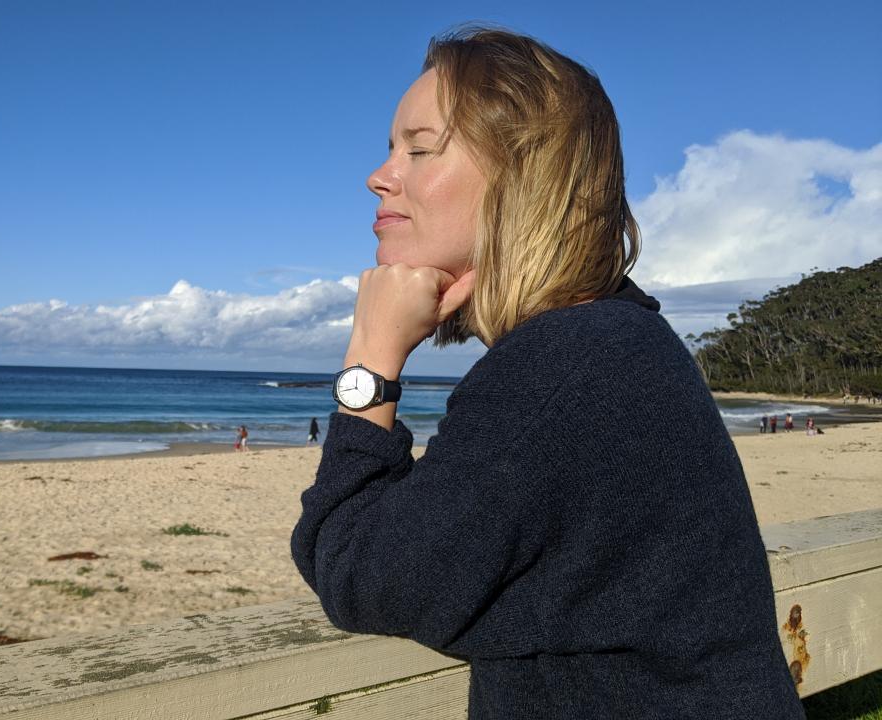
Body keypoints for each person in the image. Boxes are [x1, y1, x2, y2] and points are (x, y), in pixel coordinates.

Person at [289, 27, 804, 719]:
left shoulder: (566, 364)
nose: (380, 175)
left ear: (520, 174)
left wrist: (372, 359)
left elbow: (362, 576)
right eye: (390, 149)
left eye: (419, 148)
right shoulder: (614, 342)